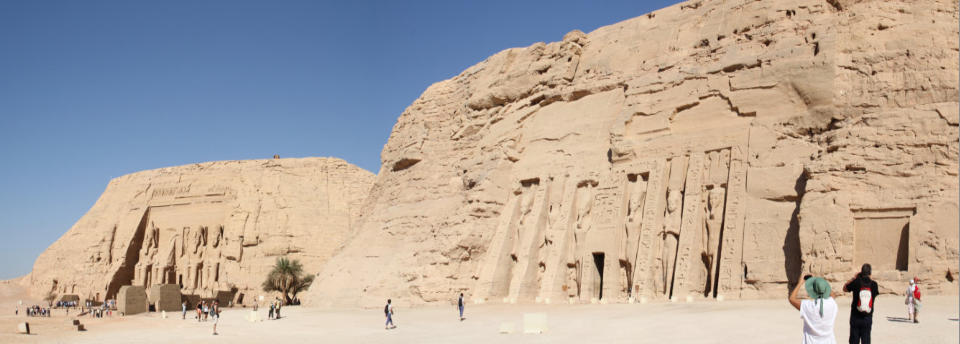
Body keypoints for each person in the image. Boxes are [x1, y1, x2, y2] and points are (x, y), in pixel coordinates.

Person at [843, 263, 878, 344]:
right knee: (866, 341)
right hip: (867, 317)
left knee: (853, 341)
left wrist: (854, 278)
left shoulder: (856, 282)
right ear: (870, 273)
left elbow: (844, 288)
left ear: (861, 272)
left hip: (855, 317)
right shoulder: (874, 285)